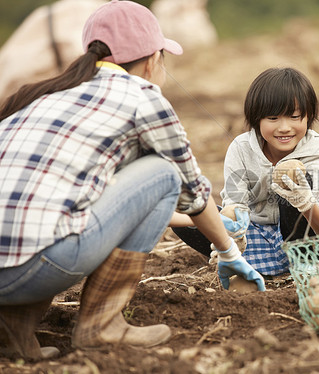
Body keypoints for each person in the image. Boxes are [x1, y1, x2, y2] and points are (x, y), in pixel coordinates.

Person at [0, 0, 263, 361]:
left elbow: (117, 203)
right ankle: (101, 324)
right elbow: (190, 190)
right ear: (153, 59)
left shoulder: (43, 95)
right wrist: (229, 251)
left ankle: (15, 324)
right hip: (37, 268)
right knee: (163, 171)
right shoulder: (143, 97)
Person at [173, 67, 319, 276]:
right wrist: (233, 235)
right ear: (256, 119)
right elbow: (235, 204)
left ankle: (304, 265)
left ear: (308, 117)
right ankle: (239, 258)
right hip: (256, 233)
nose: (285, 127)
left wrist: (305, 203)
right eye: (273, 118)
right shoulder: (241, 148)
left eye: (294, 117)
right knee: (189, 214)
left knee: (299, 182)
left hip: (307, 241)